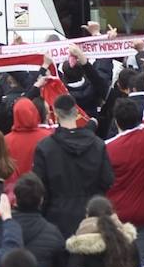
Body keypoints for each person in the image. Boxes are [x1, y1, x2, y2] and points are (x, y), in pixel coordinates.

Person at [32, 94, 113, 237]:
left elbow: (39, 187)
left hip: (57, 217)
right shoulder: (97, 144)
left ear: (55, 114)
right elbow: (107, 180)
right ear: (76, 113)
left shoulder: (45, 148)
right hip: (92, 215)